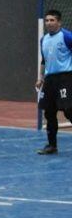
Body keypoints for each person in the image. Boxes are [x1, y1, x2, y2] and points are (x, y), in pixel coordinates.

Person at [36, 9, 72, 155]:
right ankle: (52, 145)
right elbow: (44, 60)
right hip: (50, 80)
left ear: (59, 22)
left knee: (69, 110)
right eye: (47, 20)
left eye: (52, 20)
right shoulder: (43, 39)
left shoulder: (67, 36)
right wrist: (40, 78)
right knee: (49, 113)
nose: (49, 23)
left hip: (65, 77)